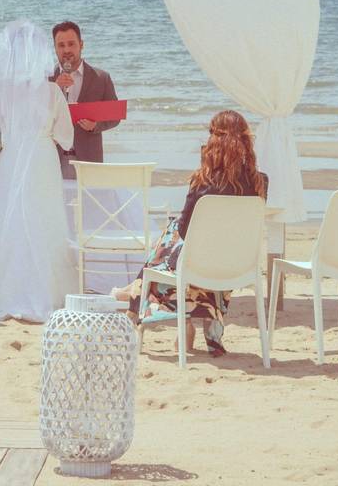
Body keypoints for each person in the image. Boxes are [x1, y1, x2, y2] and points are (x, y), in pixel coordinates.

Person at [114, 110, 268, 356]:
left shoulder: (203, 181)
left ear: (214, 141)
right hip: (236, 264)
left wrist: (176, 228)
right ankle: (209, 327)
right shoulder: (260, 181)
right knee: (178, 240)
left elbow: (186, 232)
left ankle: (140, 300)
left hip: (197, 264)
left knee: (171, 235)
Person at [0, 21, 77, 322]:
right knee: (44, 220)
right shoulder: (53, 92)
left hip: (14, 157)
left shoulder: (3, 92)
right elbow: (66, 137)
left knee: (10, 220)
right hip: (43, 159)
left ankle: (5, 289)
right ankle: (47, 291)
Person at [50, 21, 120, 179]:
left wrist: (96, 125)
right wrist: (53, 88)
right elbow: (33, 117)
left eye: (71, 44)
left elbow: (115, 116)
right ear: (54, 48)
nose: (66, 50)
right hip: (52, 157)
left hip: (88, 157)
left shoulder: (101, 78)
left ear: (81, 45)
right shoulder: (45, 79)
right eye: (61, 45)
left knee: (91, 203)